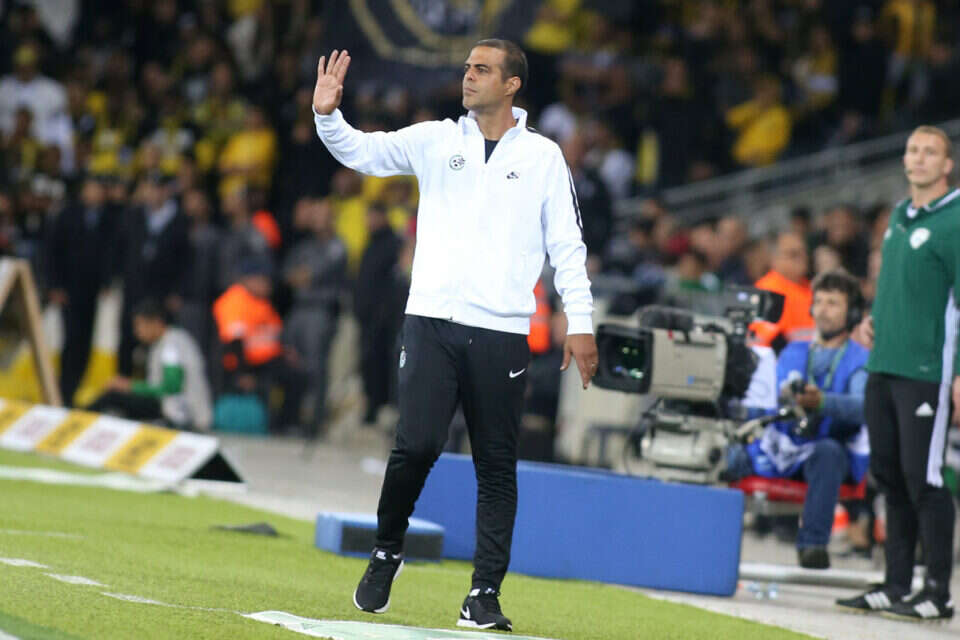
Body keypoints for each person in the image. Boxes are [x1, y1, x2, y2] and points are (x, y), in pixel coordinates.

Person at [313, 41, 597, 631]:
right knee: (415, 445)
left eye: (482, 69)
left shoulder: (544, 157)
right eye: (467, 67)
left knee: (496, 465)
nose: (468, 76)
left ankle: (483, 594)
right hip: (431, 321)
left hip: (502, 331)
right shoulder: (436, 139)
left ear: (512, 84)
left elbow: (568, 245)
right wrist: (327, 115)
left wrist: (582, 322)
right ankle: (386, 551)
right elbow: (363, 152)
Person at [837, 126, 960, 621]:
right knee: (888, 476)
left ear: (947, 165)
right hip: (883, 363)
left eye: (931, 152)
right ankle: (895, 585)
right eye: (913, 150)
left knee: (924, 477)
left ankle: (938, 592)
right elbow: (899, 285)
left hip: (927, 370)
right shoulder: (899, 215)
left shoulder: (956, 219)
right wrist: (874, 319)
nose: (919, 158)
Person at [725, 270, 870, 570]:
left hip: (825, 451)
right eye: (819, 302)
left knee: (828, 453)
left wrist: (823, 402)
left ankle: (813, 545)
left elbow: (864, 408)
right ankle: (704, 538)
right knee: (722, 450)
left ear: (853, 313)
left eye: (833, 303)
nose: (823, 310)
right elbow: (764, 403)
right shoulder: (793, 349)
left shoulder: (860, 359)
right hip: (779, 443)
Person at [46, 174, 118, 405]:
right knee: (70, 340)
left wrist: (107, 282)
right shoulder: (68, 214)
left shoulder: (108, 217)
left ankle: (75, 391)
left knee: (86, 342)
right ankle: (62, 392)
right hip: (68, 290)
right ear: (84, 190)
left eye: (100, 189)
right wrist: (54, 285)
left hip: (92, 291)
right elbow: (52, 251)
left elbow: (111, 253)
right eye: (92, 188)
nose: (96, 193)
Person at [88, 299, 212, 431]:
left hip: (182, 415)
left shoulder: (171, 344)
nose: (137, 332)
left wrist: (130, 386)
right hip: (170, 409)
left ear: (156, 323)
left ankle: (81, 416)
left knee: (114, 396)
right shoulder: (164, 342)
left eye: (139, 325)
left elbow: (171, 386)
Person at [751, 231, 815, 351]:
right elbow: (761, 342)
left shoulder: (812, 287)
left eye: (804, 252)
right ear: (774, 259)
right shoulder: (767, 290)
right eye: (793, 254)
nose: (802, 258)